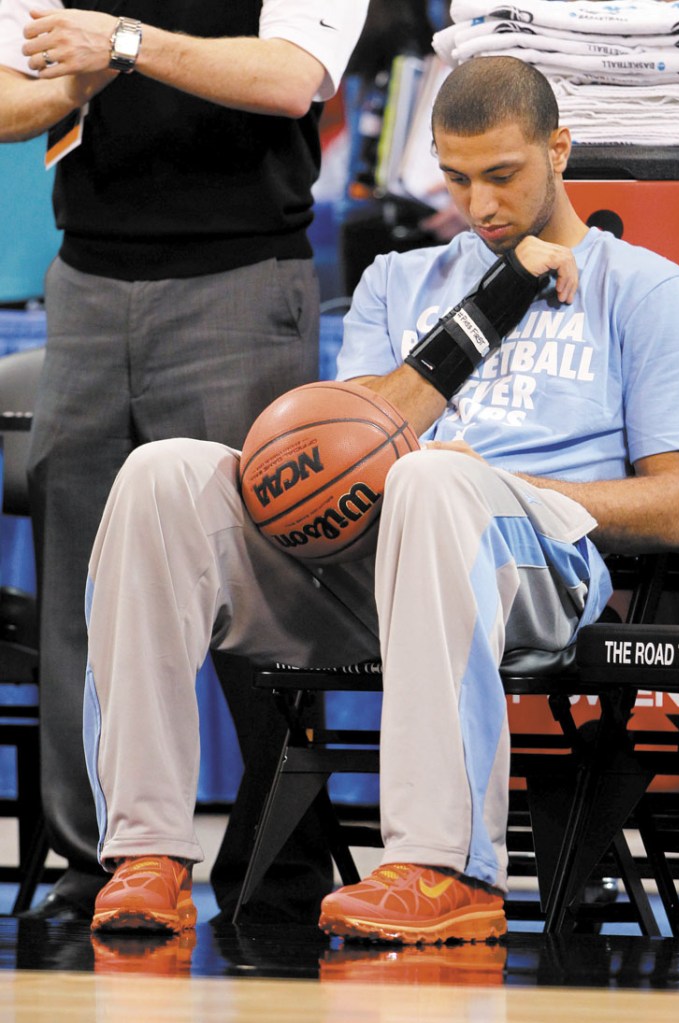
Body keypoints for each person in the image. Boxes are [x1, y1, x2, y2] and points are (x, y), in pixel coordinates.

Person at [83, 55, 679, 939]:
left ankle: (443, 867)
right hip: (369, 565)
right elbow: (352, 449)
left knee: (434, 478)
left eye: (504, 176)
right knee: (160, 476)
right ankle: (146, 854)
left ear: (560, 148)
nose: (483, 205)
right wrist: (498, 300)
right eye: (459, 179)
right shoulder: (398, 281)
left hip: (534, 569)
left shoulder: (651, 292)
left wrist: (497, 485)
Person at [0, 1, 369, 924]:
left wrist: (125, 46)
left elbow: (292, 79)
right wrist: (86, 73)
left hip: (239, 280)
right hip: (83, 283)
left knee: (263, 583)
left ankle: (275, 867)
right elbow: (7, 99)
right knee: (78, 591)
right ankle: (102, 864)